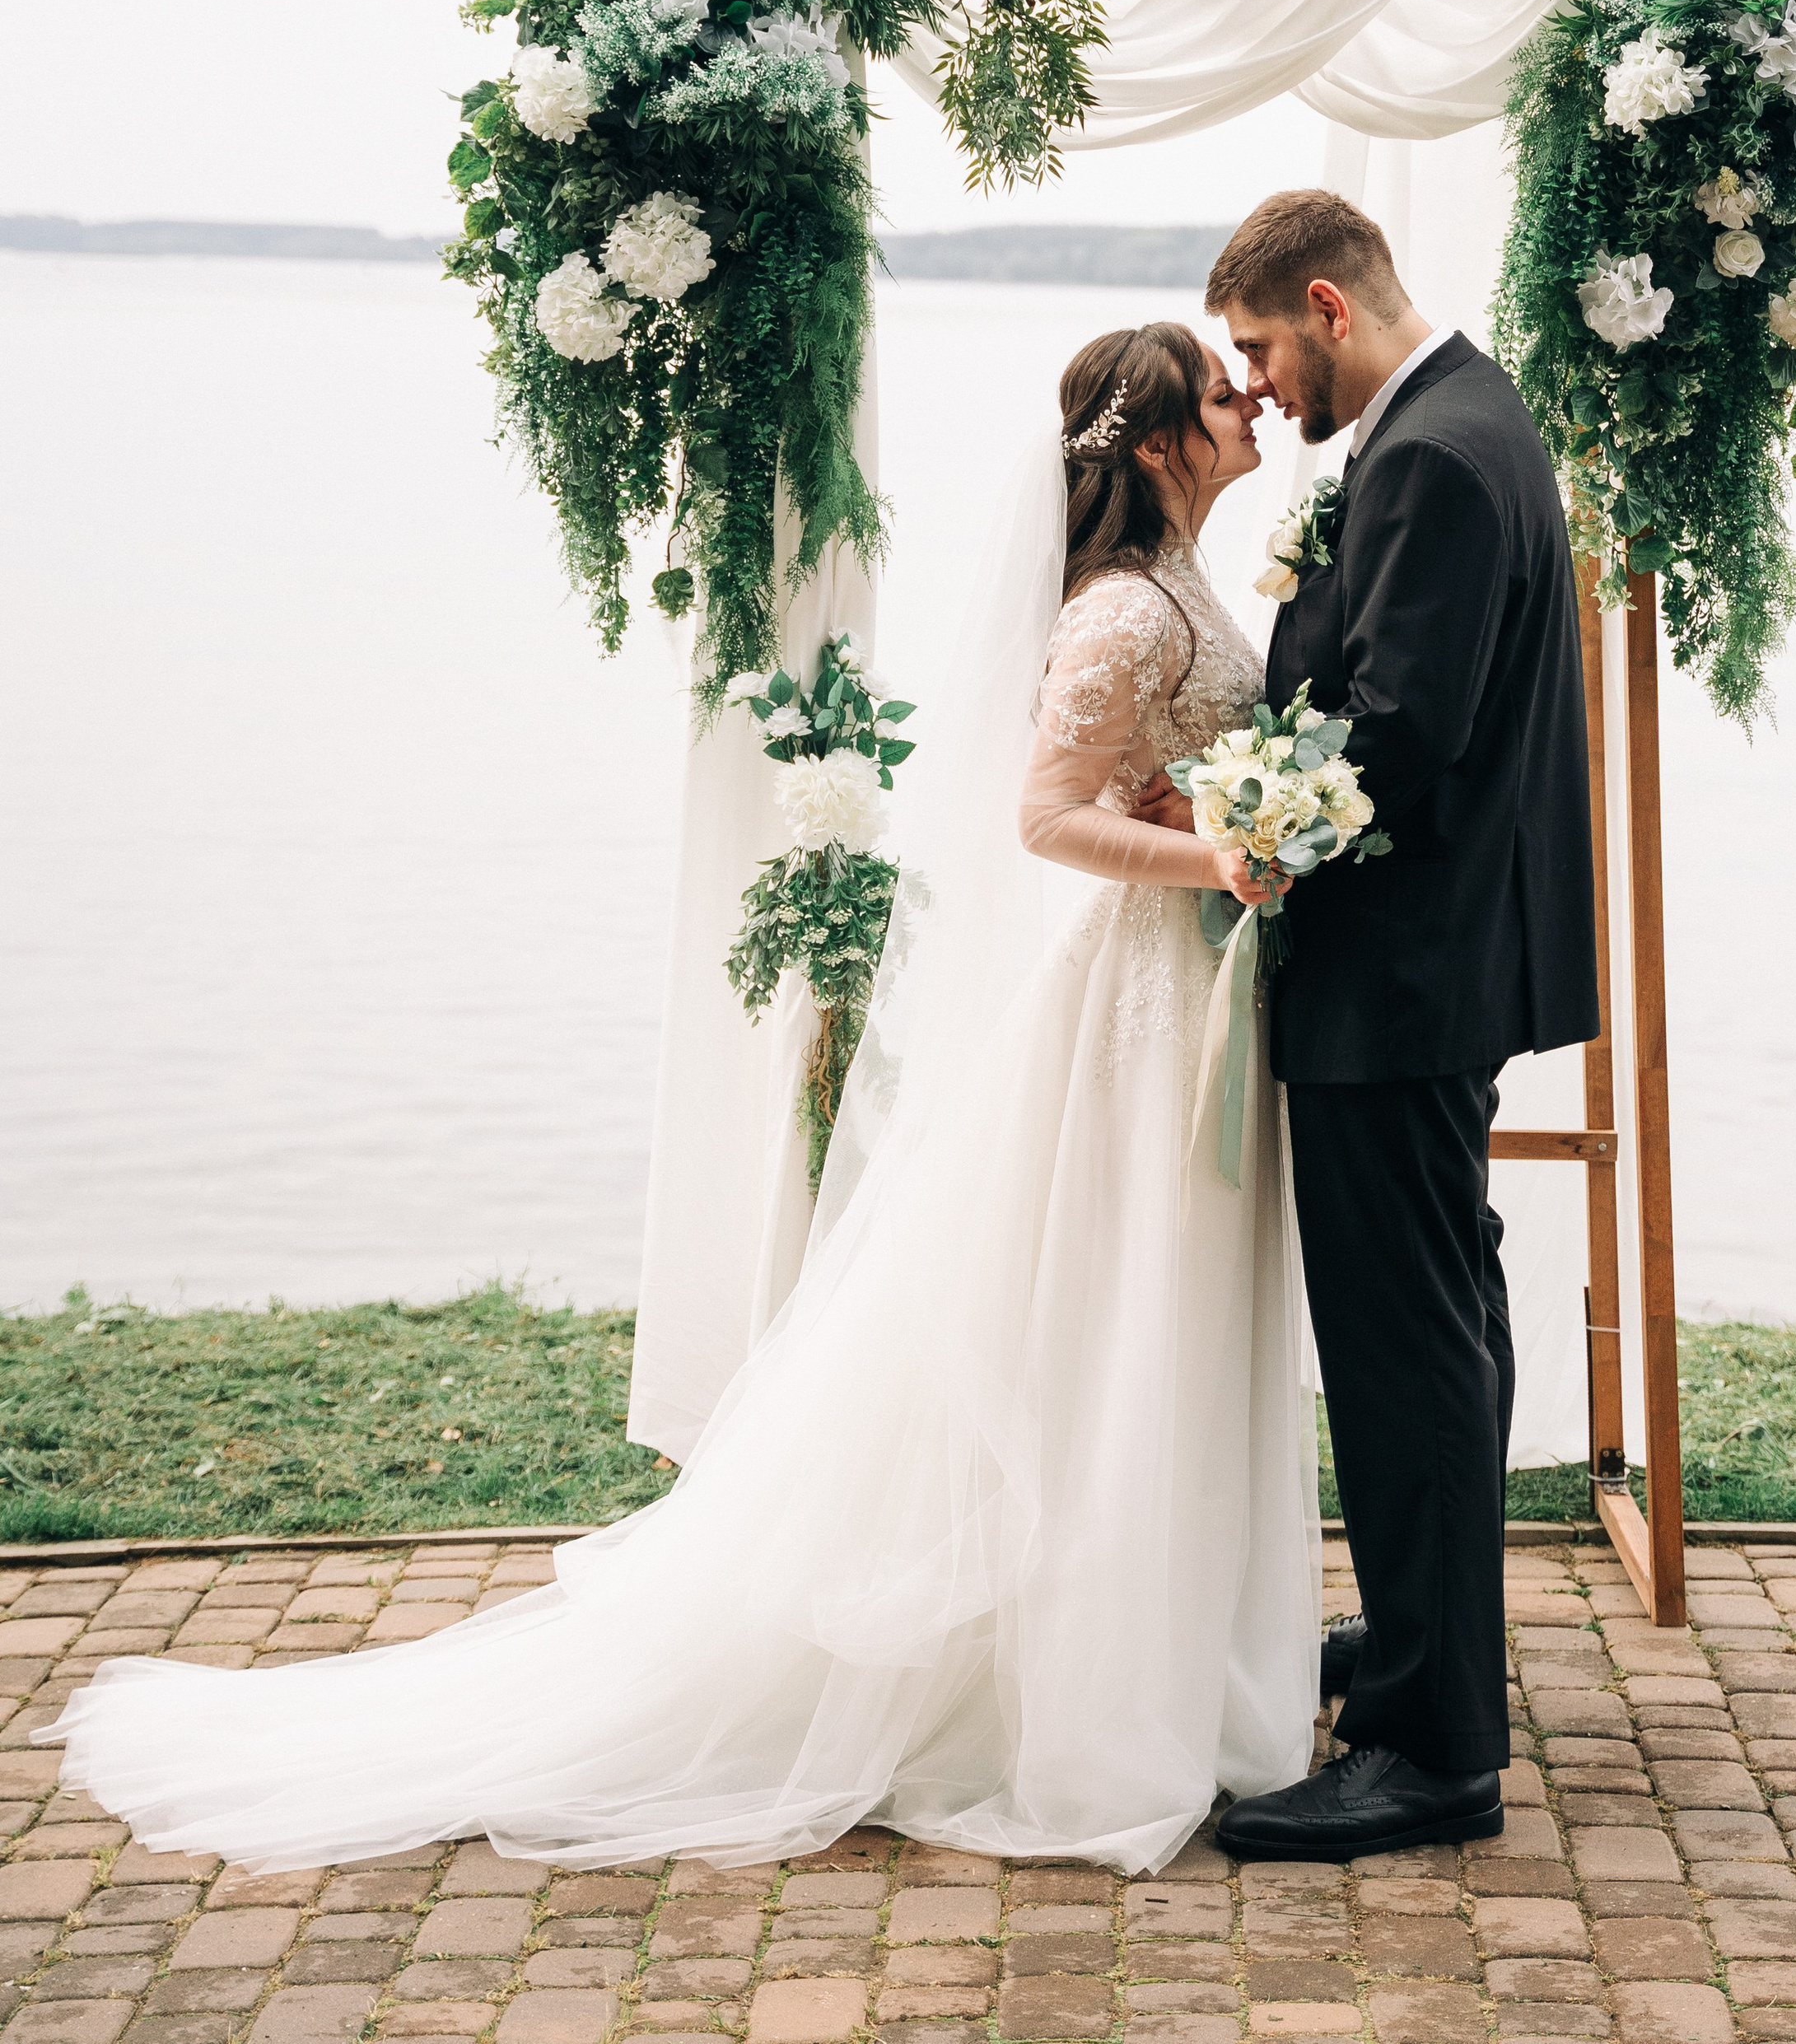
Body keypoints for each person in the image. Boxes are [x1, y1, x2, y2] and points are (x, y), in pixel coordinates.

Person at [54, 324, 1326, 1876]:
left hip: (1187, 996)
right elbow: (1046, 820)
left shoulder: (1191, 581)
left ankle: (1160, 1663)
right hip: (1131, 1016)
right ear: (1152, 444)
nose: (1248, 405)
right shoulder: (1121, 611)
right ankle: (1084, 1696)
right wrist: (1226, 854)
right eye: (1220, 392)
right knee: (1120, 1332)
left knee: (1153, 1335)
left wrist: (1222, 816)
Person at [1146, 189, 1598, 1863]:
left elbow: (1391, 736)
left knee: (1403, 1351)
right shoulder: (1459, 422)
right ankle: (1430, 1644)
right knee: (1443, 1327)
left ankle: (1430, 1751)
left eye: (1261, 347)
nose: (1254, 387)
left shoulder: (1428, 454)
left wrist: (1233, 835)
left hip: (1396, 977)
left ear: (1325, 305)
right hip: (1433, 967)